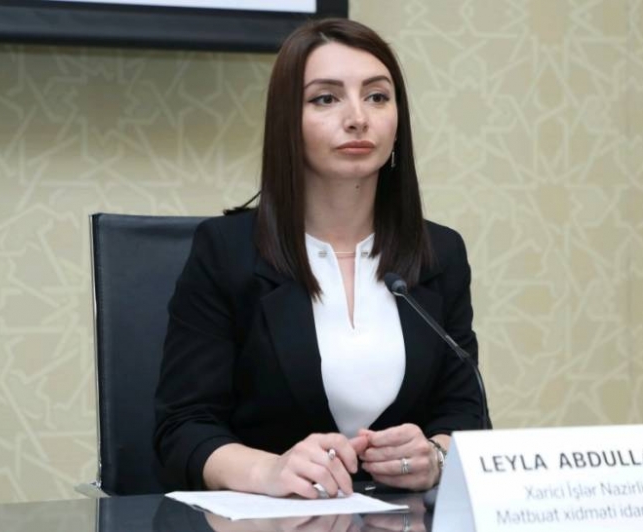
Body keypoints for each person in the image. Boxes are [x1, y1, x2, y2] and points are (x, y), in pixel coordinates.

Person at [153, 18, 485, 500]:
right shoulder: (226, 252)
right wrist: (270, 471)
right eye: (326, 99)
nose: (358, 118)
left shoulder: (439, 253)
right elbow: (182, 428)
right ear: (287, 122)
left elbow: (466, 413)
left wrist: (435, 456)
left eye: (377, 96)